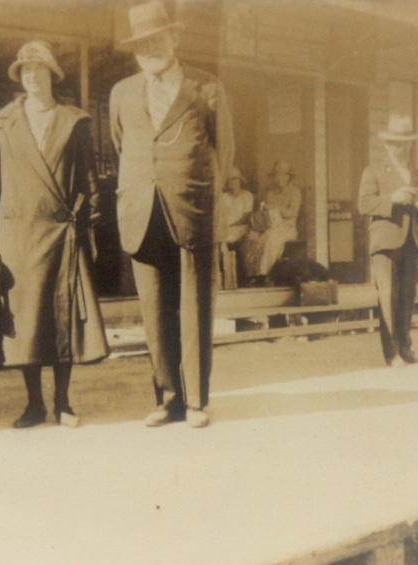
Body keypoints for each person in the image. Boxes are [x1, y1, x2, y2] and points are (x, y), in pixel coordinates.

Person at [109, 1, 233, 428]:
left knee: (194, 307)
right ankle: (167, 398)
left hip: (192, 210)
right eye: (140, 44)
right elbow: (122, 146)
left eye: (156, 40)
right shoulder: (122, 92)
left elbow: (224, 153)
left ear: (174, 39)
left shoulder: (207, 86)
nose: (148, 49)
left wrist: (204, 202)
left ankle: (197, 401)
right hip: (143, 212)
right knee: (156, 310)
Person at [0, 40, 109, 429]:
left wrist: (89, 226)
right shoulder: (4, 122)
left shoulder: (74, 121)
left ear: (53, 75)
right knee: (28, 321)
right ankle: (34, 404)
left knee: (62, 317)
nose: (32, 76)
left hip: (61, 231)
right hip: (18, 229)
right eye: (25, 71)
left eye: (39, 69)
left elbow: (88, 179)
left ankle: (63, 402)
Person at [358, 115, 418, 367]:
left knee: (407, 298)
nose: (401, 149)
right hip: (386, 244)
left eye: (406, 144)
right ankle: (391, 354)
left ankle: (406, 349)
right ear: (387, 144)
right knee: (388, 297)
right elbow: (364, 204)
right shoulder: (374, 172)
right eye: (396, 144)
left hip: (412, 243)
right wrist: (393, 198)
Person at [256, 159, 302, 276]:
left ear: (288, 177)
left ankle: (266, 275)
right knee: (255, 240)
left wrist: (275, 208)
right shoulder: (270, 194)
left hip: (287, 229)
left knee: (271, 240)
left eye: (283, 175)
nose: (279, 178)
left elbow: (292, 213)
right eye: (277, 175)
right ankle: (255, 276)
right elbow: (267, 213)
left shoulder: (295, 192)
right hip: (271, 227)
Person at [216, 166, 254, 289]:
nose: (233, 183)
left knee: (229, 240)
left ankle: (241, 279)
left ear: (240, 181)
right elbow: (219, 214)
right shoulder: (224, 197)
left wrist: (230, 225)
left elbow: (246, 217)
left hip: (241, 227)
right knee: (219, 241)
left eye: (235, 180)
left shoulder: (247, 196)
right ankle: (224, 279)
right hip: (225, 228)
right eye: (230, 181)